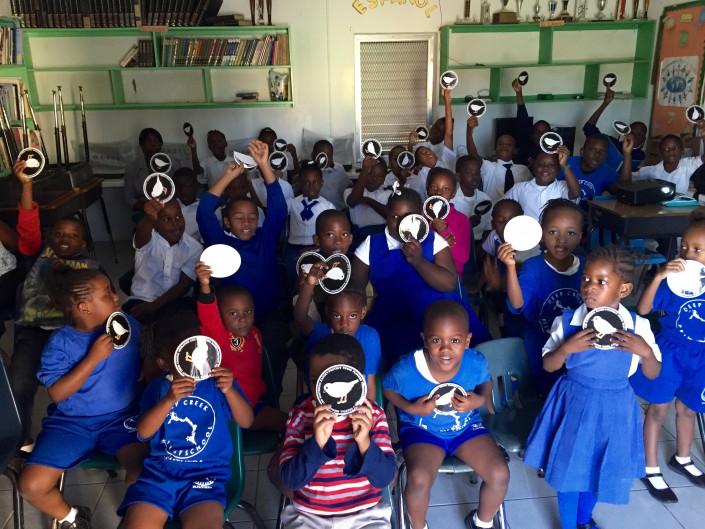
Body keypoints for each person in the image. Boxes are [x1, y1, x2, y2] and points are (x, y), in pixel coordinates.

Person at [523, 245, 662, 529]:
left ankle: (584, 519)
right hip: (574, 403)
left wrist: (646, 352)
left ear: (623, 289)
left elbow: (653, 373)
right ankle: (569, 525)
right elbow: (548, 365)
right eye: (586, 279)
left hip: (615, 408)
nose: (589, 288)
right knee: (569, 473)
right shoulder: (568, 321)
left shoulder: (638, 326)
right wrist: (565, 349)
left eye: (601, 282)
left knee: (599, 468)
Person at [19, 268, 146, 529]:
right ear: (83, 307)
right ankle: (72, 517)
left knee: (142, 473)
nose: (115, 296)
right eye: (107, 293)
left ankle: (137, 521)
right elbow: (56, 392)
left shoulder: (126, 324)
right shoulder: (60, 344)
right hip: (72, 423)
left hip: (122, 419)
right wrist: (92, 358)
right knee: (31, 485)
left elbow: (147, 348)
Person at [118, 313, 253, 529]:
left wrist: (230, 390)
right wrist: (168, 400)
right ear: (164, 363)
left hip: (207, 477)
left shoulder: (218, 384)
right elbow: (143, 433)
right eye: (187, 356)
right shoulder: (158, 389)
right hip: (158, 476)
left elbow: (246, 421)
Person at [383, 300, 509, 529]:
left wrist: (479, 399)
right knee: (419, 480)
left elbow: (486, 383)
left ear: (467, 341)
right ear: (424, 339)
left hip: (466, 427)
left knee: (499, 473)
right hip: (422, 431)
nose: (445, 349)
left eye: (455, 341)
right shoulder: (407, 368)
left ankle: (482, 522)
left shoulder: (475, 361)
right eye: (436, 340)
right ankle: (418, 526)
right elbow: (387, 388)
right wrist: (411, 408)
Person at [9, 160, 103, 447]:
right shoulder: (38, 253)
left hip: (73, 335)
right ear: (51, 238)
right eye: (59, 234)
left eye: (73, 236)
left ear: (83, 243)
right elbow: (27, 224)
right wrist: (27, 185)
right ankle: (20, 438)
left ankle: (83, 433)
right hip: (35, 332)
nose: (65, 240)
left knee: (82, 383)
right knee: (19, 383)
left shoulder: (91, 268)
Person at [351, 187, 490, 366]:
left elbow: (448, 283)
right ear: (387, 216)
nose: (401, 223)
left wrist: (418, 261)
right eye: (394, 217)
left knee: (468, 349)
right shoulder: (372, 244)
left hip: (439, 307)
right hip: (395, 310)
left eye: (407, 217)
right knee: (403, 355)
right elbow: (355, 288)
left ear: (419, 216)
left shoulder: (433, 240)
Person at [197, 140, 291, 396]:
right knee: (235, 362)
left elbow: (279, 208)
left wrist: (264, 165)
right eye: (239, 218)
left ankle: (271, 395)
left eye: (252, 217)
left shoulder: (266, 237)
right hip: (232, 319)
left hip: (270, 313)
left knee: (273, 355)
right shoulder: (220, 242)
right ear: (227, 222)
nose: (247, 222)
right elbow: (204, 212)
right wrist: (227, 176)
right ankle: (240, 398)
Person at [279, 333, 396, 528]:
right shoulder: (301, 415)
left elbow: (384, 478)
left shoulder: (373, 415)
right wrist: (317, 444)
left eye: (328, 380)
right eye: (315, 380)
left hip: (366, 515)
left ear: (358, 380)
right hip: (309, 517)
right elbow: (291, 480)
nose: (320, 390)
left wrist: (365, 443)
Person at [629, 212, 705, 503]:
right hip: (670, 352)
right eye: (684, 247)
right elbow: (645, 310)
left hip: (701, 357)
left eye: (697, 249)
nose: (687, 254)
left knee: (688, 409)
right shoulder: (671, 281)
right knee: (658, 409)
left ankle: (682, 458)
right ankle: (650, 467)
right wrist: (659, 275)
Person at [498, 198, 585, 394]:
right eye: (553, 232)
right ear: (541, 234)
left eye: (570, 233)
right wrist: (511, 268)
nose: (561, 239)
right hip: (540, 347)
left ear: (580, 236)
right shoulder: (534, 267)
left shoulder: (587, 266)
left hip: (577, 349)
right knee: (543, 395)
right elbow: (517, 304)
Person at [195, 262, 287, 431]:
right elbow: (208, 315)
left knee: (294, 425)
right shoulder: (219, 336)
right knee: (292, 425)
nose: (243, 319)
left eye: (248, 311)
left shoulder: (255, 333)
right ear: (220, 316)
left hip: (254, 405)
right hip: (230, 413)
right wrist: (205, 285)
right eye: (233, 314)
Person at [294, 272, 381, 401]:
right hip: (320, 405)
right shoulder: (320, 334)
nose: (344, 324)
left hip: (357, 407)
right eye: (336, 315)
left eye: (352, 316)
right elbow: (300, 318)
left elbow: (370, 383)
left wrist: (369, 413)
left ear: (363, 312)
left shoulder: (369, 337)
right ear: (328, 312)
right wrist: (309, 284)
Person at [124, 199, 201, 324]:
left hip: (174, 301)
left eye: (178, 217)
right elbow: (140, 236)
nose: (176, 224)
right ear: (155, 223)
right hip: (142, 300)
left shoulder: (194, 248)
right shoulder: (148, 239)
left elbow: (183, 286)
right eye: (167, 219)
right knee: (142, 333)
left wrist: (154, 306)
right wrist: (149, 218)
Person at [283, 161, 335, 286]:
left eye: (315, 182)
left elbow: (331, 234)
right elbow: (276, 212)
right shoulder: (292, 203)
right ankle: (294, 297)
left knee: (320, 270)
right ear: (300, 184)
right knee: (290, 267)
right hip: (294, 247)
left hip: (317, 246)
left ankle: (316, 298)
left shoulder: (327, 206)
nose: (311, 187)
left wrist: (315, 248)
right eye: (306, 182)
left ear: (322, 183)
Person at [465, 115, 532, 203]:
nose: (504, 146)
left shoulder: (523, 169)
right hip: (493, 211)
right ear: (496, 149)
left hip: (518, 211)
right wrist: (469, 133)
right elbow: (474, 157)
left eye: (509, 144)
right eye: (500, 144)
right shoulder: (489, 167)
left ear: (515, 150)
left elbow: (531, 190)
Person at [627, 120, 705, 194]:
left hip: (679, 207)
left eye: (675, 148)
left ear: (682, 151)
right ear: (660, 153)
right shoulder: (651, 171)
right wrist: (626, 153)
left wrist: (704, 136)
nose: (671, 151)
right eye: (666, 148)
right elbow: (627, 180)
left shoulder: (687, 165)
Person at [504, 149, 581, 222]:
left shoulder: (562, 186)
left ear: (558, 170)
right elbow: (502, 206)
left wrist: (565, 165)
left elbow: (576, 193)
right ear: (534, 168)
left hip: (554, 234)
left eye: (552, 165)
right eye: (540, 164)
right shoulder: (519, 189)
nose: (545, 168)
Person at [583, 87, 648, 172]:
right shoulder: (610, 143)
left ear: (644, 139)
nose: (636, 136)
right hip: (599, 181)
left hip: (620, 184)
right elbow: (588, 128)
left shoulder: (640, 156)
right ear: (626, 133)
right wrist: (604, 104)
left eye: (640, 134)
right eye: (633, 132)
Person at [123, 128, 181, 218]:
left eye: (156, 141)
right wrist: (147, 208)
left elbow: (179, 189)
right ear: (141, 145)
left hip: (170, 208)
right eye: (149, 141)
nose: (153, 144)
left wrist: (169, 206)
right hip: (144, 210)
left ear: (161, 145)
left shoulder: (173, 163)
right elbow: (129, 198)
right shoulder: (132, 167)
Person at [425, 167, 471, 278]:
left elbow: (463, 258)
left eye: (446, 189)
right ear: (427, 189)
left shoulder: (461, 219)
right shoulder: (419, 216)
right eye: (433, 187)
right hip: (423, 273)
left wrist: (445, 232)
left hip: (450, 277)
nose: (439, 192)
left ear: (453, 194)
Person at [345, 156, 392, 246]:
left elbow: (389, 214)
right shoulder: (350, 191)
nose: (374, 179)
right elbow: (353, 201)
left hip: (382, 237)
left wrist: (367, 200)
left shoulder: (388, 194)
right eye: (370, 173)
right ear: (363, 174)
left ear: (383, 180)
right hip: (360, 239)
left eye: (379, 176)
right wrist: (364, 171)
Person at [556, 134, 615, 205]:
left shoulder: (607, 171)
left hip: (590, 213)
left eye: (603, 152)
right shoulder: (564, 162)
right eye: (593, 150)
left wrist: (627, 153)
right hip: (562, 211)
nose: (597, 155)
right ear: (582, 151)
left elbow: (623, 192)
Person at [451, 156, 492, 243]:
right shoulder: (451, 201)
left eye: (477, 172)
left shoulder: (485, 199)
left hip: (479, 245)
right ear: (458, 176)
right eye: (469, 173)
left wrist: (482, 247)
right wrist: (468, 225)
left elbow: (488, 228)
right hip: (458, 244)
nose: (475, 177)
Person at [512, 78, 551, 167]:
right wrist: (519, 93)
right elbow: (523, 118)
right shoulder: (525, 145)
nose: (540, 134)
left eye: (543, 132)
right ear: (531, 134)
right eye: (537, 131)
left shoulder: (552, 152)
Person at [312, 139, 350, 210]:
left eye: (330, 156)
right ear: (313, 156)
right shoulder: (310, 172)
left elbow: (347, 187)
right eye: (323, 156)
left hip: (339, 212)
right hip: (319, 212)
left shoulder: (339, 168)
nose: (327, 159)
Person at [173, 167, 201, 242]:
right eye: (179, 187)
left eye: (187, 187)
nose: (183, 191)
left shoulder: (203, 209)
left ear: (196, 186)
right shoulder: (170, 206)